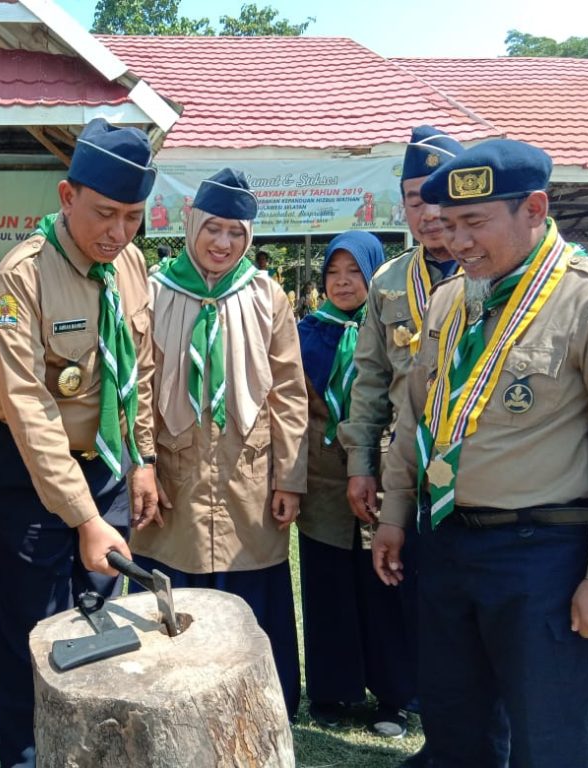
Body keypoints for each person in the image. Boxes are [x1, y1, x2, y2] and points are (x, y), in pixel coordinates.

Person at [374, 138, 588, 768]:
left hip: (543, 559)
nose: (456, 241)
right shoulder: (453, 298)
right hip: (447, 545)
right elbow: (416, 416)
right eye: (449, 224)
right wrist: (395, 515)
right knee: (457, 734)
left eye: (475, 223)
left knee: (550, 742)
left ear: (535, 208)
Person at [0, 117, 159, 768]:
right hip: (21, 476)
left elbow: (139, 370)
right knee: (38, 634)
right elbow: (30, 411)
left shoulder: (131, 264)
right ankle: (31, 757)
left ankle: (96, 753)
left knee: (102, 626)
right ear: (66, 195)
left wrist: (143, 459)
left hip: (103, 466)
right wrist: (83, 517)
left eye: (133, 217)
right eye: (106, 213)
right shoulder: (23, 276)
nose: (119, 232)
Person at [129, 168, 307, 718]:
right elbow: (137, 383)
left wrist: (290, 480)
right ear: (191, 225)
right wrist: (144, 461)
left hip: (246, 479)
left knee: (250, 591)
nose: (223, 243)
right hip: (175, 476)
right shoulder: (154, 292)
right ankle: (174, 701)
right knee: (173, 588)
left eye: (236, 232)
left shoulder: (264, 294)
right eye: (213, 228)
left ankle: (258, 704)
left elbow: (289, 391)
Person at [338, 126, 463, 766]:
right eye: (415, 198)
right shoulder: (388, 284)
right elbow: (369, 384)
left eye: (439, 197)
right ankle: (395, 695)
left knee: (457, 595)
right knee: (392, 578)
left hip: (472, 470)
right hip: (400, 463)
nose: (429, 212)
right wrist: (360, 465)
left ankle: (454, 719)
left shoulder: (489, 273)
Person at [296, 231, 414, 735]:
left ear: (373, 275)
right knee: (328, 586)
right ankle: (333, 690)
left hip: (383, 476)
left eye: (354, 273)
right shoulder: (306, 333)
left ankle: (395, 696)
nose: (342, 284)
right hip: (323, 482)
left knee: (383, 584)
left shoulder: (398, 327)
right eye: (333, 274)